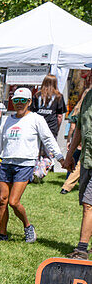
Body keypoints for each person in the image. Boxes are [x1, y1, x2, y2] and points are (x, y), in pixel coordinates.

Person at [0, 87, 64, 243]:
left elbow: (48, 139)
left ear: (29, 102)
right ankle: (2, 234)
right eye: (16, 100)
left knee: (13, 202)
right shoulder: (7, 120)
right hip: (7, 163)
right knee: (2, 200)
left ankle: (28, 226)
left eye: (23, 101)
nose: (19, 104)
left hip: (25, 165)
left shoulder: (36, 119)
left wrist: (60, 157)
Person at [63, 70, 92, 257]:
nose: (88, 77)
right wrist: (70, 155)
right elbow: (80, 129)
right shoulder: (88, 95)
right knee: (86, 202)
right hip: (87, 159)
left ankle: (81, 249)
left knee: (89, 204)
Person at [32, 74, 66, 180]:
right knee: (49, 153)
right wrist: (57, 128)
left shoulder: (37, 95)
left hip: (36, 127)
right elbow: (59, 116)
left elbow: (32, 112)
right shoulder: (59, 96)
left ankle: (33, 171)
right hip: (51, 127)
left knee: (35, 151)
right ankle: (40, 173)